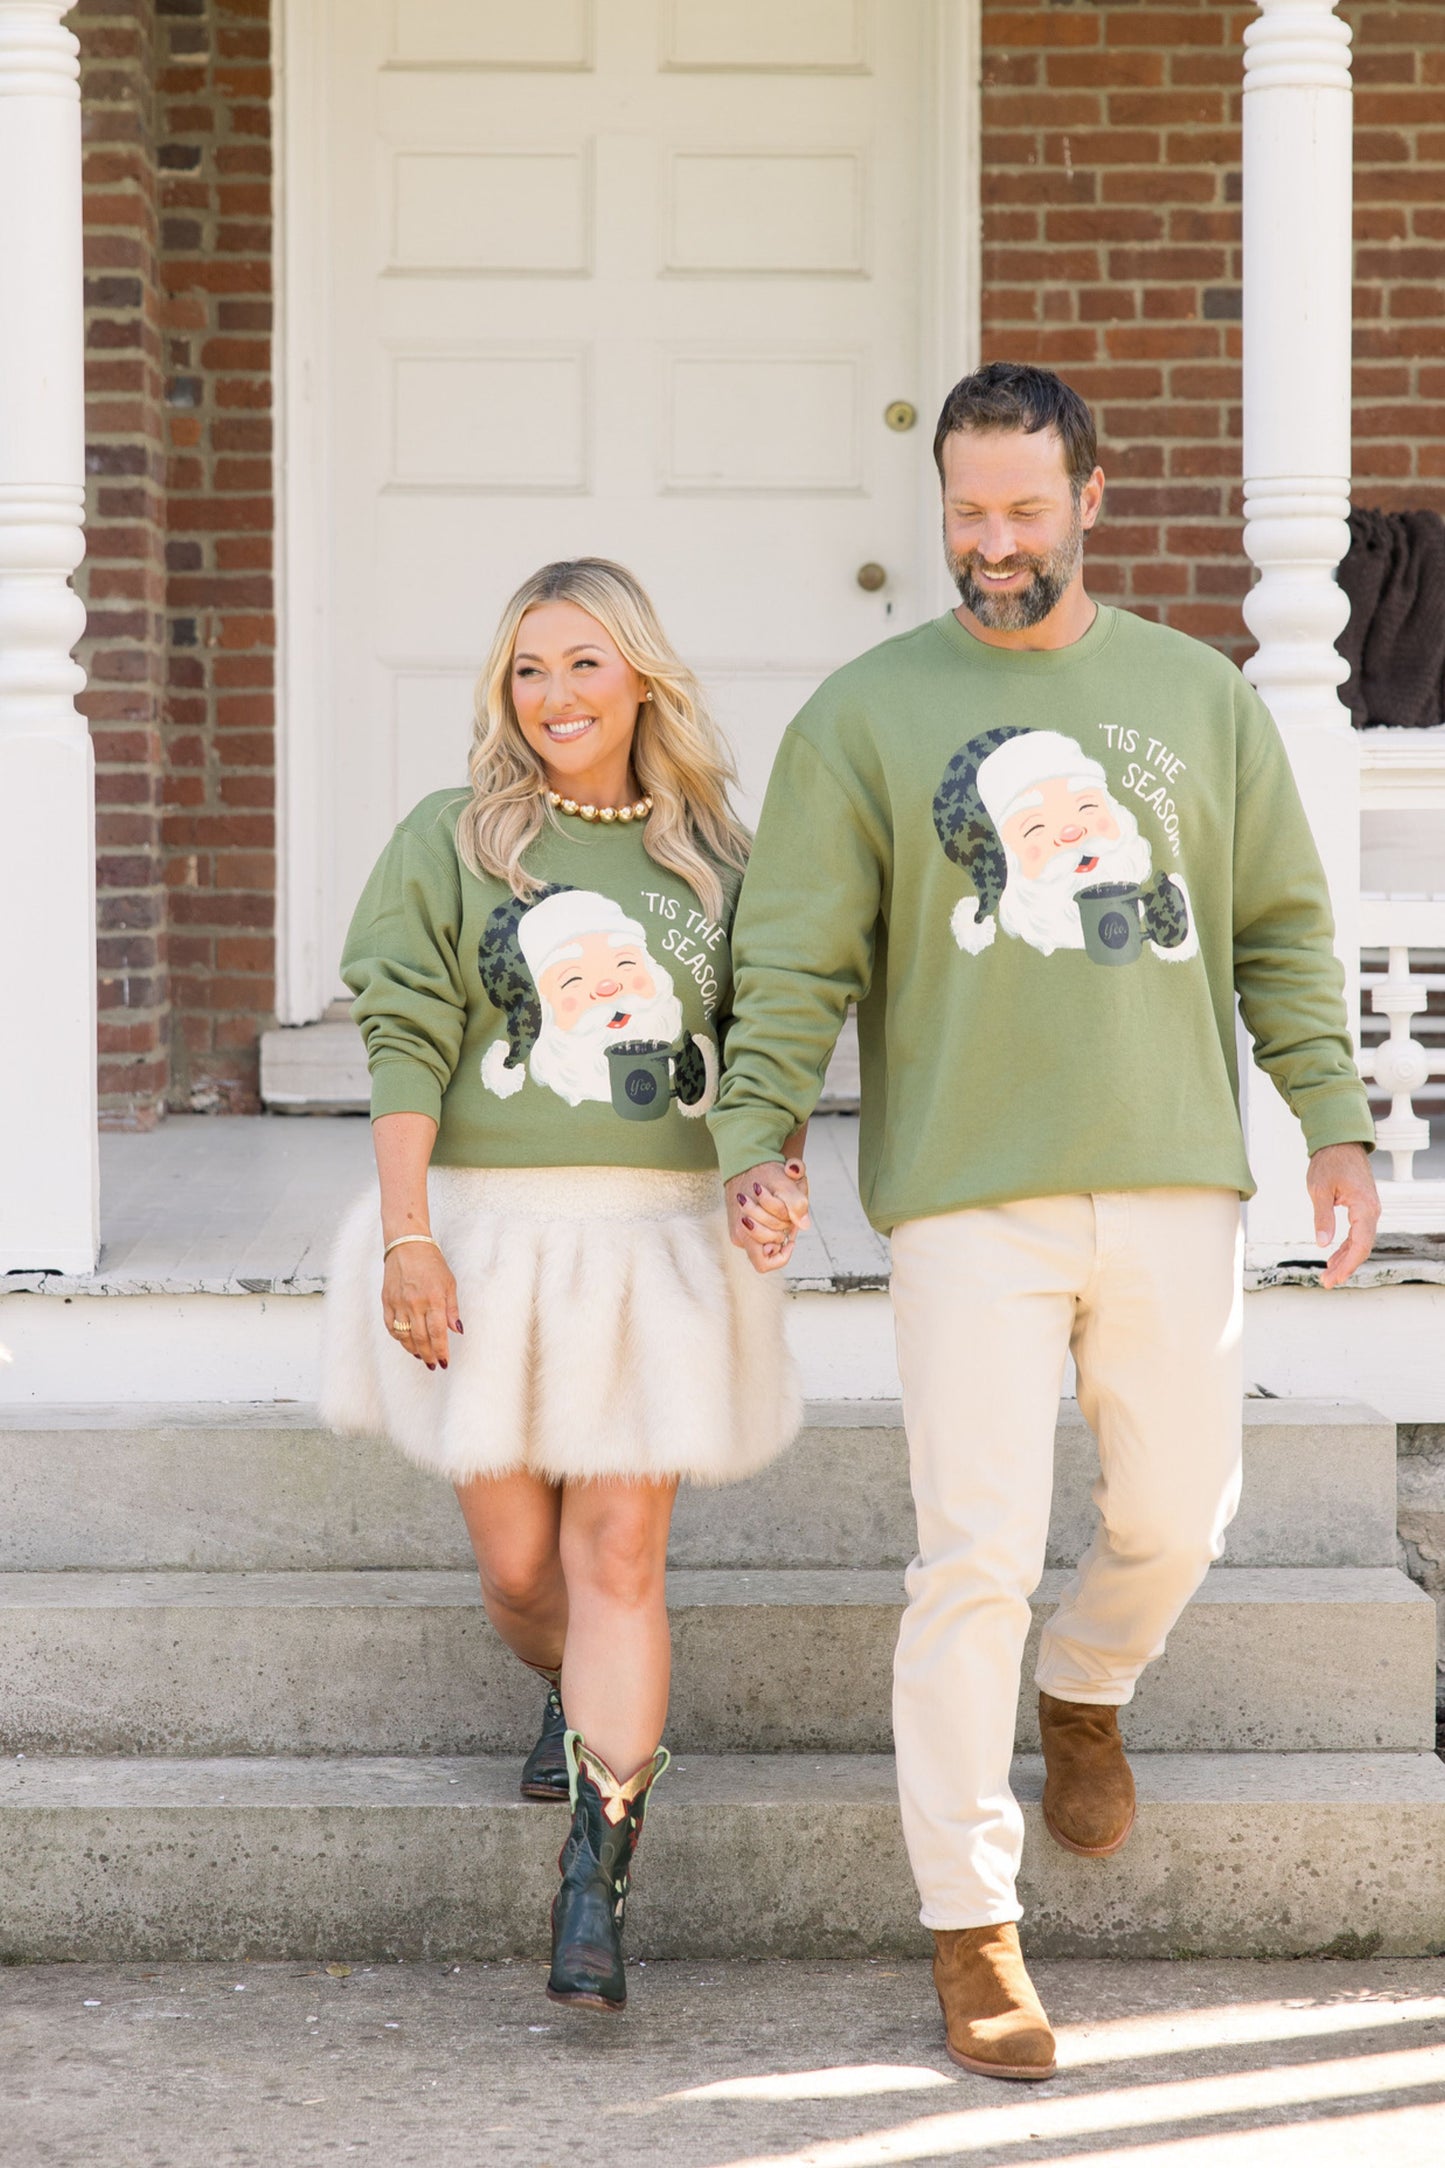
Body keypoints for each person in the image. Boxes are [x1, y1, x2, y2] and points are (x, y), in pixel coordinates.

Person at [713, 363, 1378, 2081]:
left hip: (1169, 1172)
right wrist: (760, 1128)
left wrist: (1331, 1121)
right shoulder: (861, 717)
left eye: (1021, 509)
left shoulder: (1196, 697)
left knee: (1178, 1513)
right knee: (972, 1556)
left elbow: (1283, 932)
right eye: (962, 512)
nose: (988, 544)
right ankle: (972, 1930)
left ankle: (1084, 1686)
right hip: (965, 1199)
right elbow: (791, 952)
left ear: (1091, 495)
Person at [323, 557, 802, 2013]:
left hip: (654, 1239)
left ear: (641, 676)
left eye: (584, 664)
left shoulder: (718, 855)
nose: (554, 698)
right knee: (522, 1574)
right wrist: (410, 1236)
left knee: (617, 1561)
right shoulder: (452, 839)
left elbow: (768, 1034)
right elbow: (403, 1031)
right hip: (483, 1231)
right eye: (529, 670)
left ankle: (596, 1875)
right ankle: (568, 1690)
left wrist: (764, 1166)